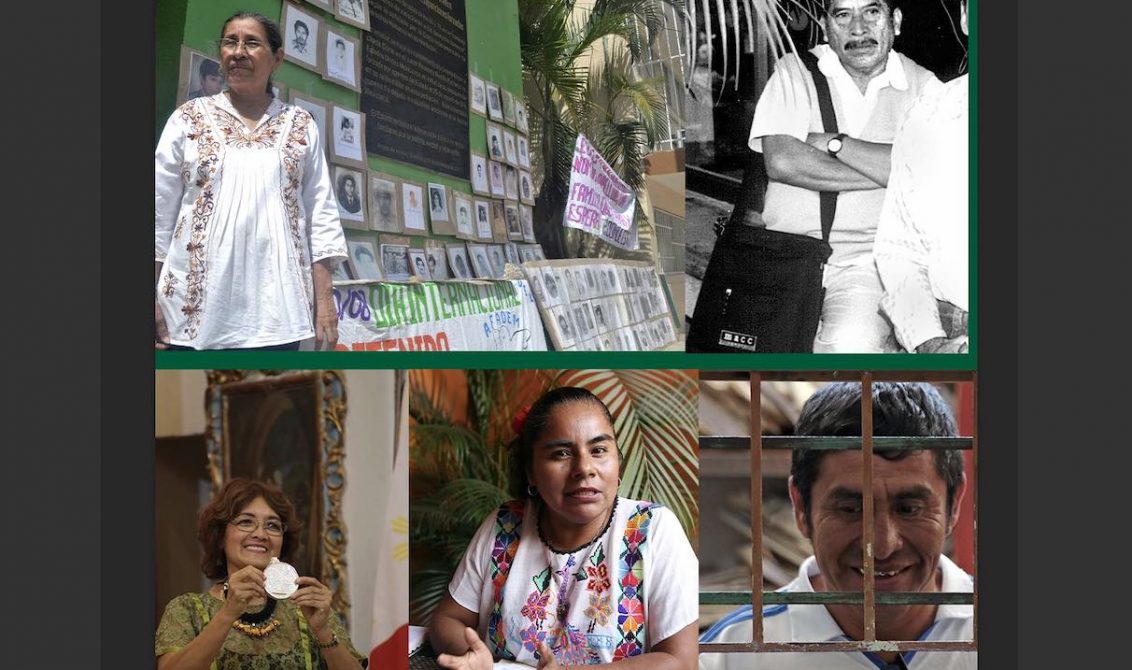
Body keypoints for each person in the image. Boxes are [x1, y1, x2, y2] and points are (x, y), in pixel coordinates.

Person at [699, 382, 974, 669]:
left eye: (909, 509)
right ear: (801, 508)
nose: (882, 546)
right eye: (850, 510)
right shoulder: (727, 657)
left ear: (954, 504)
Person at [428, 388, 699, 669]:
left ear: (617, 462)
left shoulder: (653, 530)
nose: (584, 468)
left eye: (598, 450)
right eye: (561, 453)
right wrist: (476, 658)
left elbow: (680, 661)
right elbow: (448, 619)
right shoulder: (505, 525)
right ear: (531, 471)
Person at [745, 0, 937, 353]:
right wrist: (892, 167)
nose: (858, 28)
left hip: (866, 263)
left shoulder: (925, 88)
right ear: (825, 24)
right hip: (784, 258)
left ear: (895, 20)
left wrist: (834, 143)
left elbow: (932, 172)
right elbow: (784, 162)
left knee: (849, 343)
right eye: (843, 14)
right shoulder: (794, 71)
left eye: (872, 11)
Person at [156, 12, 344, 350]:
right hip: (189, 313)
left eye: (252, 43)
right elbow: (158, 213)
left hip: (276, 317)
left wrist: (325, 300)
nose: (238, 52)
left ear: (277, 59)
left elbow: (322, 214)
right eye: (230, 42)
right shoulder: (188, 119)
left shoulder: (300, 125)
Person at [155, 478, 366, 669]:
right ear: (220, 536)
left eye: (272, 526)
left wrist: (323, 632)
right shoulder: (186, 609)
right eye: (246, 522)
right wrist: (228, 614)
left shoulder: (308, 608)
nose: (260, 534)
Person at [874, 0, 969, 354]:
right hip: (942, 328)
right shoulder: (931, 113)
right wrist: (930, 343)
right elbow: (899, 246)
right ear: (965, 16)